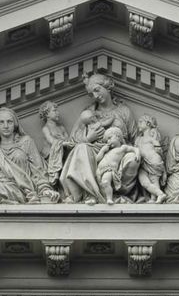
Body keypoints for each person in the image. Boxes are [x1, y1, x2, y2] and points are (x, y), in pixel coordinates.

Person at [59, 73, 140, 203]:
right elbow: (72, 140)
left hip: (118, 156)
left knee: (132, 158)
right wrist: (88, 139)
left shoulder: (124, 111)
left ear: (107, 86)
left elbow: (136, 139)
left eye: (97, 90)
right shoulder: (88, 113)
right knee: (81, 148)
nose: (96, 96)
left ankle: (110, 190)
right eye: (91, 94)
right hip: (95, 154)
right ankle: (90, 193)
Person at [95, 128, 142, 205]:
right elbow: (97, 159)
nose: (108, 142)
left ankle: (109, 199)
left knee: (106, 182)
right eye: (107, 140)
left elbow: (134, 149)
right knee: (102, 184)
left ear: (118, 137)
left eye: (109, 138)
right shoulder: (107, 150)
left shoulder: (122, 148)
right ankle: (103, 197)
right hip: (100, 171)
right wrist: (102, 151)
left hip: (109, 169)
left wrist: (137, 154)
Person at [38, 101, 73, 186]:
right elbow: (52, 141)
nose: (57, 113)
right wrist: (63, 143)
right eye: (54, 111)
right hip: (50, 155)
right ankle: (55, 173)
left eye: (57, 110)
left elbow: (68, 139)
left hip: (63, 152)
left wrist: (67, 143)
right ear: (47, 114)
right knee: (57, 147)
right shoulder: (46, 128)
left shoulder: (61, 127)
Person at [135, 114, 167, 203]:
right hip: (142, 163)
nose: (138, 125)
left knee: (154, 180)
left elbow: (159, 150)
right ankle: (160, 194)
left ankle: (154, 198)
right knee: (143, 182)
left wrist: (163, 168)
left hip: (154, 161)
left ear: (148, 123)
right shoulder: (138, 139)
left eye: (141, 122)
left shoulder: (152, 138)